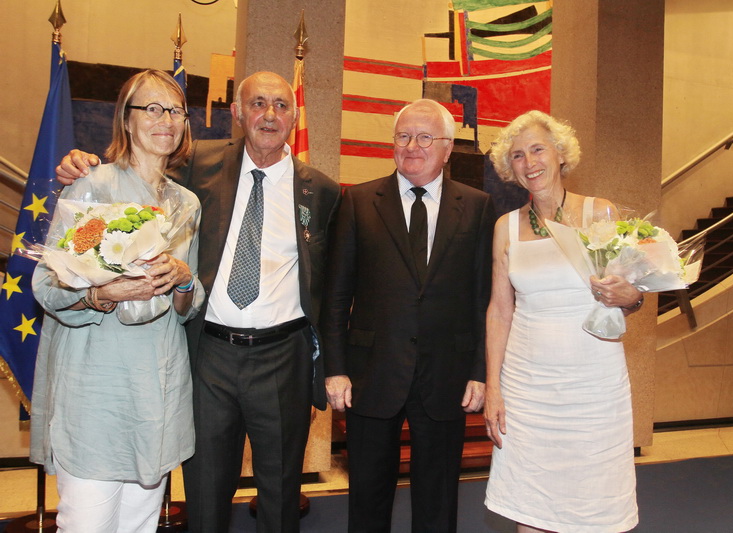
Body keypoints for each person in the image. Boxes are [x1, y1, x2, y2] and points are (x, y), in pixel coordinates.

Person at [55, 71, 341, 533]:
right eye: (258, 103)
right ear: (237, 112)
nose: (270, 115)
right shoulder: (197, 164)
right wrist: (80, 165)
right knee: (205, 487)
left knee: (283, 489)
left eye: (282, 105)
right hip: (208, 354)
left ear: (294, 115)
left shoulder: (322, 190)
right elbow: (136, 176)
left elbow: (329, 283)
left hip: (283, 356)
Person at [30, 69, 204, 532]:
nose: (164, 119)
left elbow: (191, 301)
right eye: (150, 108)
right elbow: (47, 286)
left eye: (175, 111)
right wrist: (99, 295)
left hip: (158, 387)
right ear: (125, 121)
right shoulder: (93, 186)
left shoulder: (187, 204)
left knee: (140, 526)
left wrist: (185, 280)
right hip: (97, 390)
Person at [321, 99, 495, 532]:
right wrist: (336, 368)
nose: (412, 146)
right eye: (403, 136)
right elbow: (336, 294)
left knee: (438, 499)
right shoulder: (358, 201)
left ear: (448, 147)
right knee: (367, 495)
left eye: (424, 137)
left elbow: (483, 297)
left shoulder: (477, 206)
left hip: (447, 375)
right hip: (371, 373)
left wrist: (480, 371)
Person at [482, 109, 642, 533]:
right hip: (527, 388)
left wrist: (630, 297)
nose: (529, 162)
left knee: (595, 504)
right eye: (517, 155)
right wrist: (494, 388)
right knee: (530, 504)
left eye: (538, 149)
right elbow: (500, 311)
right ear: (508, 168)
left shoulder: (601, 214)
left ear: (560, 154)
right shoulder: (505, 228)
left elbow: (630, 296)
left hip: (593, 385)